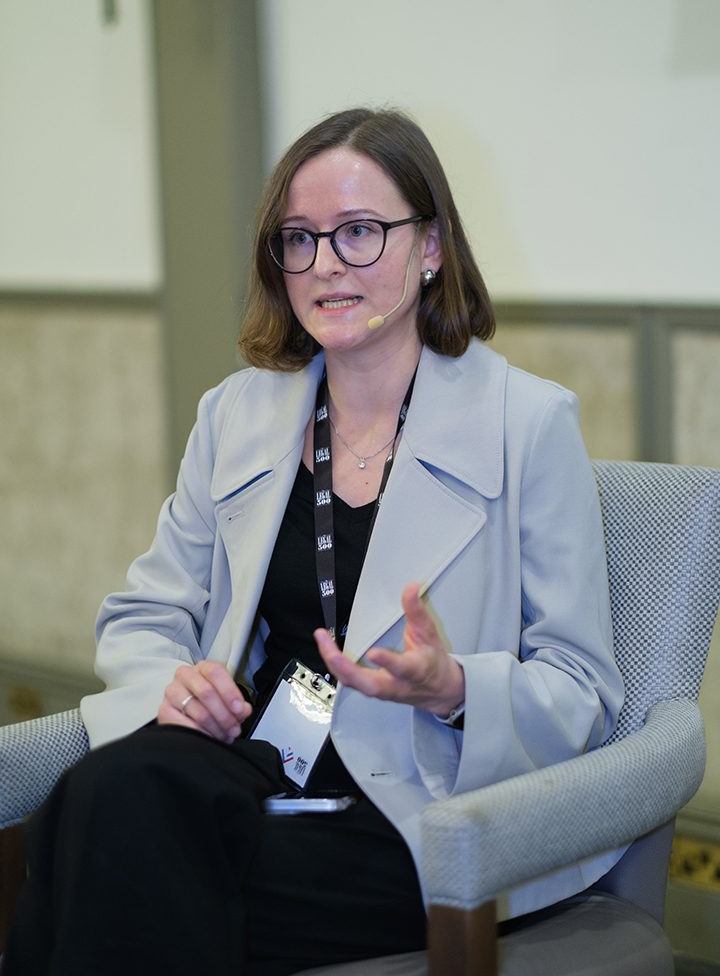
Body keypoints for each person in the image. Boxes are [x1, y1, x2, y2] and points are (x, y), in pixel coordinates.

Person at [4, 107, 623, 975]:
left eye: (359, 231)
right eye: (300, 238)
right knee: (99, 797)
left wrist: (455, 688)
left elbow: (583, 689)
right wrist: (174, 686)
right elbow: (146, 615)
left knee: (110, 865)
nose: (326, 263)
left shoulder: (529, 423)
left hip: (427, 810)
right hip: (259, 761)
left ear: (432, 246)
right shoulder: (237, 413)